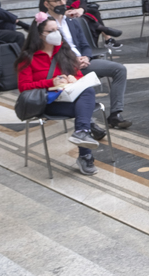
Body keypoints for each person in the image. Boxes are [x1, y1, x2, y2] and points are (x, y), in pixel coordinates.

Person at [38, 0, 132, 130]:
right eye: (57, 1)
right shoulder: (44, 25)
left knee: (119, 69)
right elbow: (48, 53)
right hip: (62, 67)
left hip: (82, 62)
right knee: (83, 85)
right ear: (46, 4)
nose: (62, 3)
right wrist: (72, 61)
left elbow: (85, 44)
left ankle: (115, 114)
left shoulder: (71, 21)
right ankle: (89, 124)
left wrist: (86, 57)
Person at [17, 17, 100, 176]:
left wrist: (74, 79)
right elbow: (23, 87)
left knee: (87, 91)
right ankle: (85, 154)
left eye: (57, 30)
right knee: (83, 110)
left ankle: (82, 133)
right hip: (47, 102)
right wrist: (50, 82)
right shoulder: (28, 57)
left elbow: (79, 75)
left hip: (69, 97)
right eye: (51, 31)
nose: (56, 34)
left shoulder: (64, 51)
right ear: (40, 34)